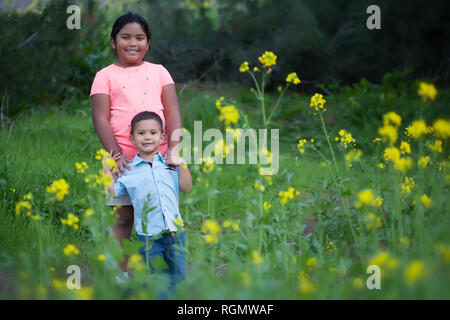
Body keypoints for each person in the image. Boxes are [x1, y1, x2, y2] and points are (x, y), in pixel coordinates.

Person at [90, 12, 184, 277]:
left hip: (159, 159)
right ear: (112, 42)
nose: (133, 43)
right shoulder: (104, 75)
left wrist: (174, 149)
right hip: (121, 158)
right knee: (122, 219)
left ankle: (161, 272)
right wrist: (116, 155)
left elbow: (173, 112)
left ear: (148, 42)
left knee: (160, 218)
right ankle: (121, 277)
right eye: (125, 37)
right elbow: (100, 118)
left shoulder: (159, 72)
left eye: (139, 38)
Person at [104, 111, 192, 295]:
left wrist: (182, 164)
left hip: (176, 232)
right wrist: (107, 170)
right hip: (149, 237)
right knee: (154, 277)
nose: (147, 137)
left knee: (179, 277)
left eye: (153, 133)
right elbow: (114, 192)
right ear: (132, 138)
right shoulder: (128, 172)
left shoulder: (170, 165)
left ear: (162, 138)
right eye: (141, 133)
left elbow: (186, 187)